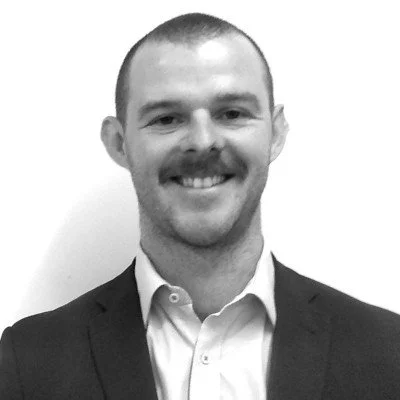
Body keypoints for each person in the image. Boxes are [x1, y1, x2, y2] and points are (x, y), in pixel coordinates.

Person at [1, 12, 399, 400]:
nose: (203, 141)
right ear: (119, 144)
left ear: (276, 133)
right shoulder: (26, 363)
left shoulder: (388, 351)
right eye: (166, 118)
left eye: (232, 113)